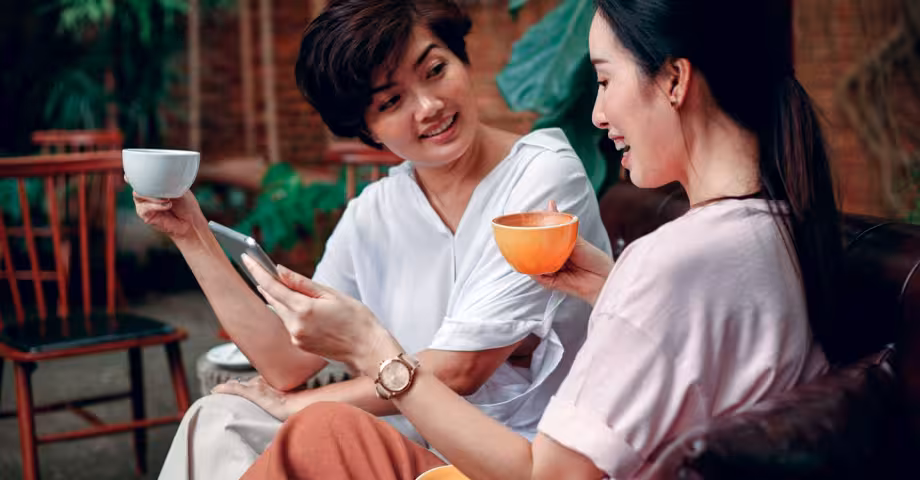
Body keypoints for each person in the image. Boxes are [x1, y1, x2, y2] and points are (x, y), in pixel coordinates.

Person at [235, 0, 844, 478]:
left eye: (604, 81)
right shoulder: (777, 224)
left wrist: (377, 353)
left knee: (319, 436)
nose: (598, 116)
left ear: (675, 80)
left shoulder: (670, 254)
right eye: (391, 101)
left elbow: (544, 472)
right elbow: (705, 356)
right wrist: (616, 287)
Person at [133, 0, 610, 478]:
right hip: (414, 437)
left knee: (316, 424)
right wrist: (191, 233)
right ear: (367, 130)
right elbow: (288, 361)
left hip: (512, 456)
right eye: (391, 102)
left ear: (463, 60)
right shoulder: (376, 211)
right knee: (217, 419)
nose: (429, 107)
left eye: (436, 69)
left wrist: (294, 406)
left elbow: (463, 370)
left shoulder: (543, 177)